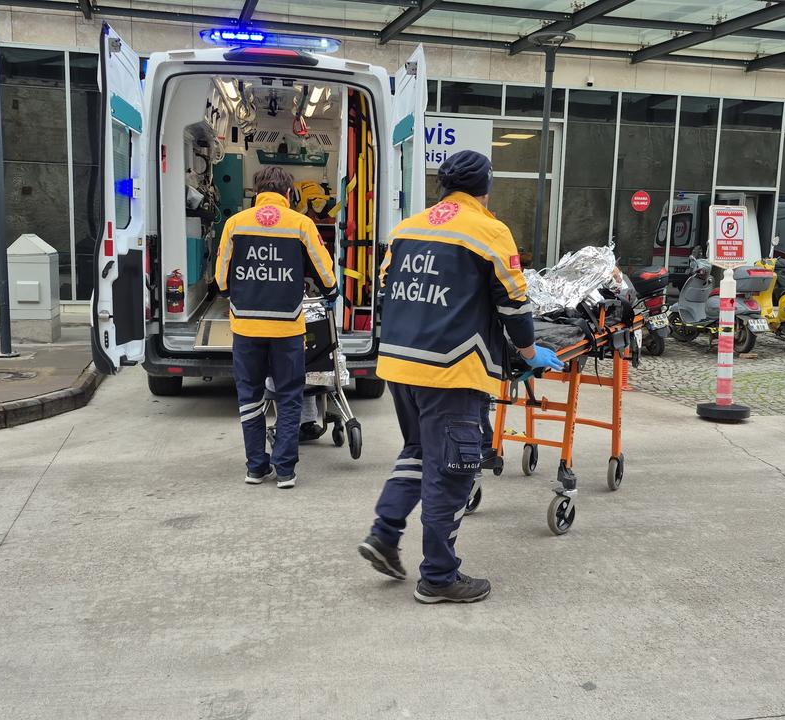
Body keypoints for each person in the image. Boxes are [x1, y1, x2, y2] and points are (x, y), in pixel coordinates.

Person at [357, 150, 564, 604]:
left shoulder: (407, 228)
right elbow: (514, 304)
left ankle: (385, 534)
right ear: (485, 188)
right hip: (452, 369)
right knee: (452, 471)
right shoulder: (489, 230)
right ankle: (439, 577)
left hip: (399, 365)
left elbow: (390, 289)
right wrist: (529, 354)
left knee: (417, 452)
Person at [215, 167, 337, 489]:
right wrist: (331, 291)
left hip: (246, 327)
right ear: (288, 195)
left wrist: (233, 292)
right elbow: (324, 268)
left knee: (250, 396)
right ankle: (285, 470)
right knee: (288, 396)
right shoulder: (301, 223)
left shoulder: (235, 224)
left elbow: (221, 278)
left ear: (257, 193)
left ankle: (256, 467)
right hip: (287, 328)